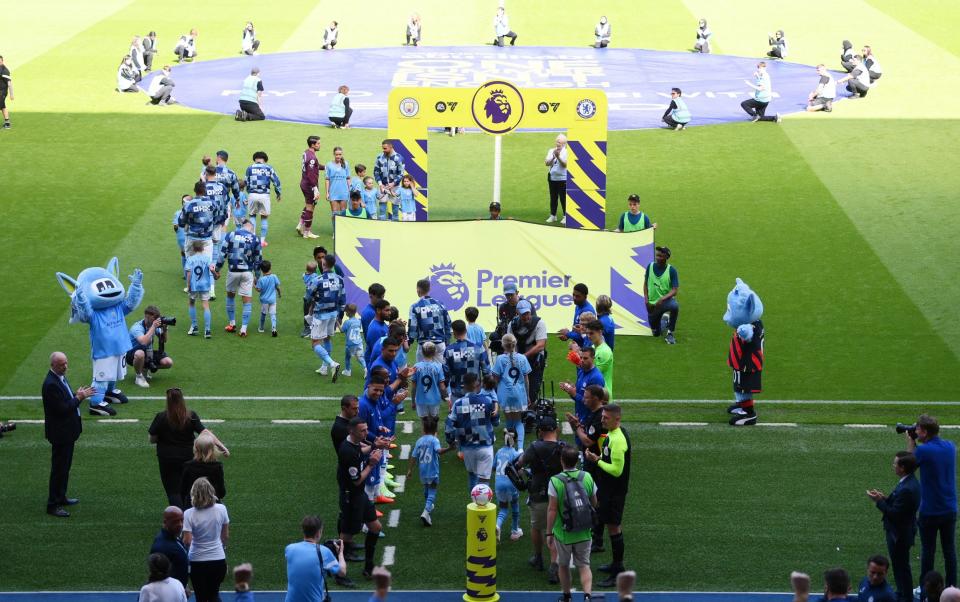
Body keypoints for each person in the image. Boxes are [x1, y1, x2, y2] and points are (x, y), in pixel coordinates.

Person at [149, 388, 229, 508]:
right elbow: (205, 432)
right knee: (188, 486)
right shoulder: (190, 416)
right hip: (187, 457)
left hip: (167, 458)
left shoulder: (161, 417)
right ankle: (191, 511)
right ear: (182, 400)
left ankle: (179, 516)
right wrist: (222, 447)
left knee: (172, 489)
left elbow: (152, 439)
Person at [907, 415, 958, 588]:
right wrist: (916, 440)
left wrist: (911, 441)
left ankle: (925, 589)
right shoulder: (950, 446)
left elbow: (907, 466)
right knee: (949, 550)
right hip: (950, 508)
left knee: (928, 551)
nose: (916, 431)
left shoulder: (923, 451)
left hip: (930, 510)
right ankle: (952, 587)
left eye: (918, 429)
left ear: (925, 432)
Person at [585, 404, 632, 588]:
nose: (602, 419)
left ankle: (618, 568)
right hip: (608, 490)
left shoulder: (618, 440)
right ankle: (615, 564)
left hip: (614, 492)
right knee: (611, 526)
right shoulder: (611, 435)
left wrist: (597, 461)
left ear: (617, 419)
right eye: (602, 416)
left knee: (614, 528)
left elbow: (617, 470)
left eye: (606, 417)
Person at [42, 352, 92, 517]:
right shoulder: (51, 384)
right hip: (60, 434)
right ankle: (53, 504)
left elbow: (66, 400)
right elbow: (62, 409)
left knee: (64, 468)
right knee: (59, 469)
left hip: (66, 432)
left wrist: (76, 396)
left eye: (66, 363)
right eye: (62, 364)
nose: (65, 367)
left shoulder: (58, 378)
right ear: (53, 365)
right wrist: (79, 397)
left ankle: (61, 496)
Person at [515, 415, 563, 583]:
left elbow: (519, 464)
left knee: (536, 527)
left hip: (538, 492)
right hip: (559, 494)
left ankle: (538, 557)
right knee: (556, 530)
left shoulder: (534, 447)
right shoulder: (564, 447)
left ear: (540, 431)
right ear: (555, 430)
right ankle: (554, 564)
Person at [548, 446, 599, 602]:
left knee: (563, 566)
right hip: (584, 530)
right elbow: (594, 503)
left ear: (561, 460)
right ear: (577, 460)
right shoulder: (587, 477)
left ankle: (567, 596)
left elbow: (552, 509)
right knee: (584, 565)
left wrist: (549, 533)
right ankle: (587, 596)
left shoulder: (555, 481)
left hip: (563, 533)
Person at [337, 417, 385, 577]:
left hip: (359, 495)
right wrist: (372, 464)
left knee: (376, 527)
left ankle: (369, 567)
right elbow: (357, 481)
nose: (366, 432)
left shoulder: (354, 443)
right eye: (362, 430)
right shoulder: (347, 451)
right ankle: (338, 573)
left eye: (366, 429)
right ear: (352, 431)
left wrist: (373, 446)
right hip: (351, 497)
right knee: (346, 537)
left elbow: (360, 450)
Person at [445, 373, 500, 490]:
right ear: (478, 384)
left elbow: (449, 426)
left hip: (467, 447)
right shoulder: (488, 401)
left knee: (472, 476)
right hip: (485, 446)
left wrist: (450, 441)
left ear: (463, 385)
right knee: (484, 481)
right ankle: (483, 506)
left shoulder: (458, 403)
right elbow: (496, 422)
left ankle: (474, 505)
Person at [182, 478, 230, 602]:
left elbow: (187, 541)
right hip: (218, 559)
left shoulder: (188, 514)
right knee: (214, 594)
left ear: (193, 493)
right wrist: (222, 550)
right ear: (211, 491)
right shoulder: (221, 509)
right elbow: (225, 536)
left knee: (201, 597)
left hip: (197, 561)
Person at [285, 515, 345, 602]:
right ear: (318, 532)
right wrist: (340, 553)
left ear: (303, 530)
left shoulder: (289, 549)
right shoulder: (324, 552)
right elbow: (342, 572)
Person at [218, 220, 262, 337]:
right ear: (251, 228)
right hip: (247, 273)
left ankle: (232, 324)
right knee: (246, 301)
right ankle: (243, 329)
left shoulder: (231, 235)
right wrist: (257, 277)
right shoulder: (255, 239)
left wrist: (217, 270)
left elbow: (222, 254)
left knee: (230, 296)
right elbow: (258, 260)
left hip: (233, 271)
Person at [408, 416, 451, 526]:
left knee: (426, 488)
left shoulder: (419, 441)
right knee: (433, 490)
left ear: (423, 429)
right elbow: (439, 451)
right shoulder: (434, 440)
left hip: (422, 471)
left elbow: (413, 456)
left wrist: (410, 470)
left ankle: (429, 506)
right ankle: (426, 511)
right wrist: (449, 448)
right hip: (432, 471)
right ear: (436, 430)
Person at [309, 255, 345, 381]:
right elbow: (342, 299)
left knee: (315, 343)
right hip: (333, 314)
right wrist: (340, 316)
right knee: (327, 339)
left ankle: (332, 364)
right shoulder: (340, 279)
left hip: (320, 315)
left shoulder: (318, 280)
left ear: (323, 264)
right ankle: (324, 368)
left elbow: (308, 295)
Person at [493, 333, 532, 448]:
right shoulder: (522, 358)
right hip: (519, 394)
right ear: (515, 344)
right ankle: (520, 448)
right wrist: (528, 395)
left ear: (503, 345)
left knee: (509, 421)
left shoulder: (500, 359)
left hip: (505, 395)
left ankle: (509, 447)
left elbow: (495, 379)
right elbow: (526, 380)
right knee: (518, 421)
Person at [507, 300, 548, 405]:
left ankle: (530, 413)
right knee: (516, 389)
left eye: (527, 313)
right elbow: (510, 344)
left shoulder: (539, 323)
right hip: (518, 359)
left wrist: (523, 357)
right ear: (517, 313)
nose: (526, 316)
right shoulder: (512, 325)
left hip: (535, 360)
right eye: (523, 314)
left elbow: (540, 345)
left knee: (532, 391)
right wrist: (514, 358)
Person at [128, 305, 174, 388]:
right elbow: (143, 342)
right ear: (147, 316)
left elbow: (164, 340)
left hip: (148, 353)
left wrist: (164, 330)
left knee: (168, 363)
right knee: (140, 354)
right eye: (154, 318)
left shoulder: (153, 325)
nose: (156, 320)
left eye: (157, 317)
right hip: (132, 354)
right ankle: (139, 377)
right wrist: (153, 327)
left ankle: (144, 368)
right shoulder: (137, 328)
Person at [444, 320, 489, 401]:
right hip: (475, 390)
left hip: (457, 392)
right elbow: (486, 369)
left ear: (454, 333)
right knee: (476, 413)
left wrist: (444, 389)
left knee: (459, 413)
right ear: (465, 330)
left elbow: (446, 372)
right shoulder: (479, 347)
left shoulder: (449, 350)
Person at [408, 278, 452, 361]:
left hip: (424, 344)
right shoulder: (440, 304)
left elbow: (413, 327)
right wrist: (447, 341)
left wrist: (410, 341)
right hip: (439, 343)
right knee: (440, 370)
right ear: (429, 289)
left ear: (418, 289)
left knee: (422, 370)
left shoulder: (415, 306)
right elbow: (448, 323)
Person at [180, 433, 227, 508]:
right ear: (213, 449)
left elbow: (183, 490)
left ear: (195, 449)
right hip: (212, 504)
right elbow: (221, 492)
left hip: (192, 503)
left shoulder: (188, 466)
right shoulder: (217, 466)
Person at [245, 151, 282, 247]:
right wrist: (278, 193)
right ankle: (262, 241)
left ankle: (252, 239)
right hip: (264, 196)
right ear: (265, 159)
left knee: (252, 216)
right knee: (264, 217)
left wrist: (250, 192)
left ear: (255, 159)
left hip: (252, 195)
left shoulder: (250, 168)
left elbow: (246, 182)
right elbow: (276, 181)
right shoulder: (268, 168)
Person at [560, 347, 606, 425]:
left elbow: (593, 404)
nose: (582, 360)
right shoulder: (582, 372)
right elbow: (579, 396)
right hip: (579, 418)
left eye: (585, 358)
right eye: (580, 357)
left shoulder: (596, 378)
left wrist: (574, 394)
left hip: (589, 421)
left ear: (593, 358)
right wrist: (571, 391)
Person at [644, 246, 679, 344]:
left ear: (666, 257)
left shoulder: (671, 270)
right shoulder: (650, 267)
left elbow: (675, 290)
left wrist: (662, 299)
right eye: (657, 255)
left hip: (664, 302)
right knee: (656, 333)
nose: (658, 258)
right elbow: (645, 283)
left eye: (660, 256)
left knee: (675, 306)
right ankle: (664, 320)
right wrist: (646, 299)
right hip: (652, 304)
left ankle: (670, 333)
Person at [150, 506, 190, 591]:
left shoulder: (174, 537)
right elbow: (157, 575)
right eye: (175, 521)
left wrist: (184, 585)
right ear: (165, 522)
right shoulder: (161, 547)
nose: (180, 524)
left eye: (181, 520)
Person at [494, 429, 523, 542]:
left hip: (499, 484)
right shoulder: (516, 454)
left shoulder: (499, 452)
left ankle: (497, 525)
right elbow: (519, 471)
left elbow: (493, 467)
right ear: (514, 440)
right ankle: (515, 532)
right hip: (511, 484)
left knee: (503, 508)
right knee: (515, 506)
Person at [412, 342, 446, 418]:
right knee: (434, 422)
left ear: (422, 352)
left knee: (424, 423)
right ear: (434, 353)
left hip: (421, 400)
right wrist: (444, 396)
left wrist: (413, 402)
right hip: (435, 400)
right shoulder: (438, 366)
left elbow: (414, 387)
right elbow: (442, 387)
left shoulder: (416, 367)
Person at [298, 135, 323, 239]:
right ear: (313, 145)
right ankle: (307, 232)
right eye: (318, 143)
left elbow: (315, 166)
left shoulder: (306, 152)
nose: (320, 145)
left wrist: (327, 167)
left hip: (304, 183)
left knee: (309, 204)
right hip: (309, 185)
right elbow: (310, 174)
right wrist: (315, 189)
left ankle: (301, 225)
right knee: (310, 207)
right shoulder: (312, 157)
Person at [374, 140, 405, 221]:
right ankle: (382, 228)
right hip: (383, 187)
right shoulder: (379, 158)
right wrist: (380, 184)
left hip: (395, 187)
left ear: (391, 147)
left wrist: (393, 183)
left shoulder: (399, 158)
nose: (383, 150)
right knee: (382, 211)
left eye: (385, 148)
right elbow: (376, 172)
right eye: (382, 148)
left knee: (395, 210)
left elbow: (401, 174)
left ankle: (395, 228)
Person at [325, 146, 351, 235]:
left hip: (344, 192)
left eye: (340, 154)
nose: (338, 156)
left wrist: (349, 189)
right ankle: (335, 231)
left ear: (342, 154)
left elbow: (348, 178)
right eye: (336, 154)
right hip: (333, 192)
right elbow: (327, 179)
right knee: (335, 214)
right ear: (334, 154)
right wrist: (327, 192)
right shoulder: (329, 165)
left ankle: (343, 231)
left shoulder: (346, 164)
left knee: (343, 213)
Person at [545, 134, 568, 223]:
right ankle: (553, 215)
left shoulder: (566, 152)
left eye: (559, 142)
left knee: (563, 198)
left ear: (564, 144)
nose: (557, 143)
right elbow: (546, 163)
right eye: (557, 141)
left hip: (563, 178)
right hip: (552, 178)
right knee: (553, 197)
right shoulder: (551, 151)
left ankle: (566, 215)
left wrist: (558, 157)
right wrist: (553, 157)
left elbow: (565, 164)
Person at [0, 55, 12, 129]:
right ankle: (7, 123)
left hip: (2, 92)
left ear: (2, 61)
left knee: (2, 106)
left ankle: (7, 124)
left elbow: (9, 83)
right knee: (2, 106)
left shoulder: (5, 70)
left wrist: (11, 94)